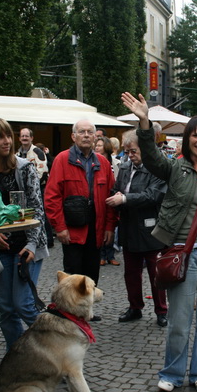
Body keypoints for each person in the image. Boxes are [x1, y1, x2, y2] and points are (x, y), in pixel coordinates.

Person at [121, 92, 197, 392]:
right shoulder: (175, 169)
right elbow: (150, 155)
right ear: (187, 140)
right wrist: (145, 121)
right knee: (179, 319)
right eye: (195, 136)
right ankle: (171, 372)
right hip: (181, 253)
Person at [0, 118, 49, 349]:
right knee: (7, 309)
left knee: (24, 305)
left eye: (9, 135)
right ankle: (17, 357)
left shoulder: (24, 167)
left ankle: (55, 347)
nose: (7, 141)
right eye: (0, 136)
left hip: (27, 246)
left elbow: (38, 209)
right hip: (1, 249)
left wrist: (30, 244)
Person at [44, 119, 117, 321]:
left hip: (96, 226)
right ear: (73, 136)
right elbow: (51, 197)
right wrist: (59, 227)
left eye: (90, 132)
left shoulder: (102, 163)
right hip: (72, 227)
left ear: (96, 137)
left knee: (92, 272)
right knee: (72, 274)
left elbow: (111, 197)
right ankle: (69, 313)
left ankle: (86, 311)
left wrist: (110, 226)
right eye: (81, 132)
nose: (86, 135)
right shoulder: (62, 159)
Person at [105, 130, 168, 326]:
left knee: (156, 274)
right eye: (126, 151)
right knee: (131, 273)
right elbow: (118, 188)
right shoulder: (124, 167)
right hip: (129, 226)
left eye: (133, 151)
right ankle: (135, 307)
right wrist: (115, 194)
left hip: (151, 230)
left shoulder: (157, 168)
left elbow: (153, 195)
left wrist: (124, 198)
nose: (130, 155)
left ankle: (161, 310)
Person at [95, 136, 120, 267]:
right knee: (100, 226)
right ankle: (101, 255)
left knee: (111, 226)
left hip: (112, 195)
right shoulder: (93, 161)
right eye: (96, 145)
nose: (97, 147)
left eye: (99, 145)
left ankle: (110, 255)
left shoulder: (115, 162)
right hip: (99, 196)